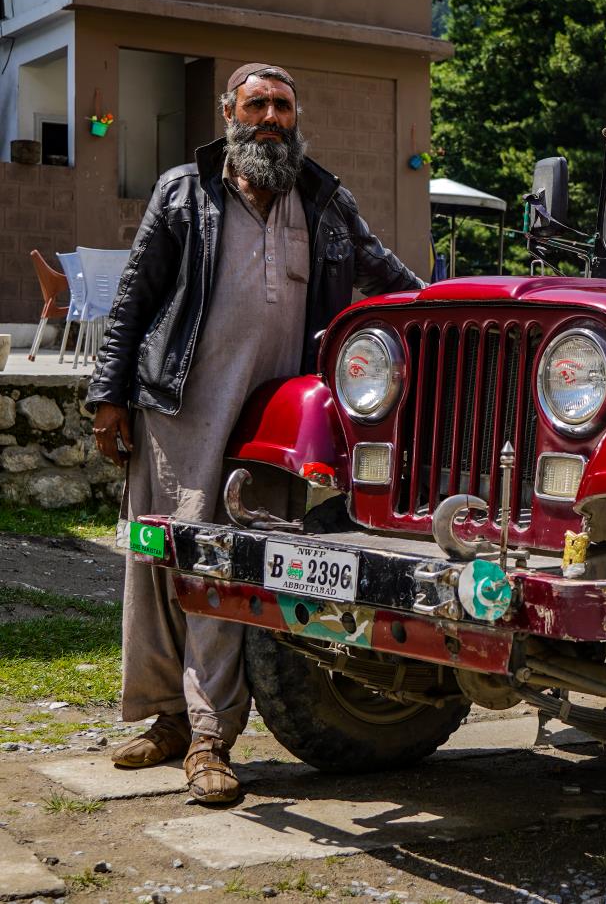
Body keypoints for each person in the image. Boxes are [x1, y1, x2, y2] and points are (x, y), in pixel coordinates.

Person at [87, 63, 423, 803]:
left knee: (230, 570)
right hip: (181, 407)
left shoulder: (325, 202)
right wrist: (109, 398)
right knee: (160, 564)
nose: (271, 117)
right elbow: (135, 296)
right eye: (258, 104)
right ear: (229, 113)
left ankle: (210, 737)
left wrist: (448, 311)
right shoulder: (185, 190)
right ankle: (163, 718)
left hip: (274, 423)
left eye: (283, 105)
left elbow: (387, 277)